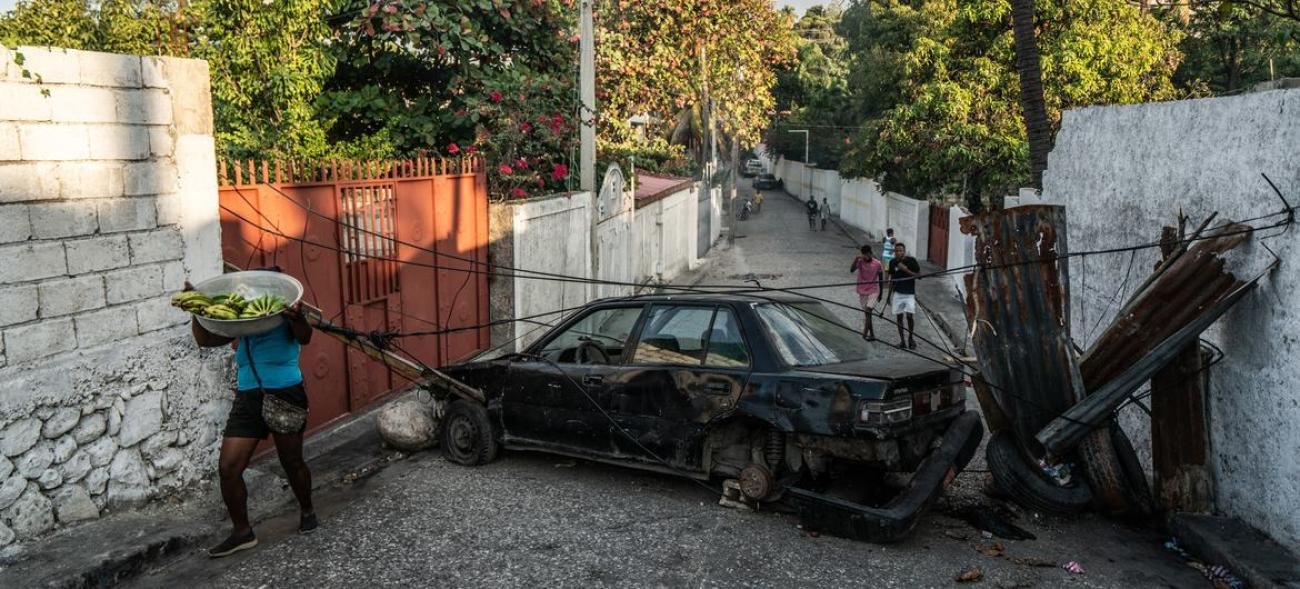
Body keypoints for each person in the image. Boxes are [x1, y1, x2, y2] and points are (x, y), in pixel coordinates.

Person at [188, 276, 317, 558]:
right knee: (228, 468)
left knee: (292, 461)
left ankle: (307, 509)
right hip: (248, 397)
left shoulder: (287, 313)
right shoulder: (242, 321)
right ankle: (242, 532)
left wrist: (297, 317)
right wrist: (195, 310)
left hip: (285, 392)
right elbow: (206, 340)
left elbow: (305, 336)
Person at [885, 242, 921, 349]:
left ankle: (910, 338)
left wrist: (905, 269)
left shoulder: (911, 261)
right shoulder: (892, 262)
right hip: (897, 293)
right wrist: (888, 296)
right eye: (897, 251)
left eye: (901, 250)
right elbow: (892, 280)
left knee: (909, 316)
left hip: (909, 293)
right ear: (894, 252)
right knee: (899, 317)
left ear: (904, 251)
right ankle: (902, 341)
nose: (899, 252)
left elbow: (919, 276)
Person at [851, 244, 884, 340]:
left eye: (867, 254)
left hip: (874, 290)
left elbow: (881, 279)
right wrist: (856, 259)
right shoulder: (860, 261)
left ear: (871, 253)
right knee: (867, 314)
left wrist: (881, 293)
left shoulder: (877, 263)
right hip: (862, 290)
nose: (865, 257)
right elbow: (852, 270)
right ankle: (872, 334)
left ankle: (864, 335)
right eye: (863, 254)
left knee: (869, 310)